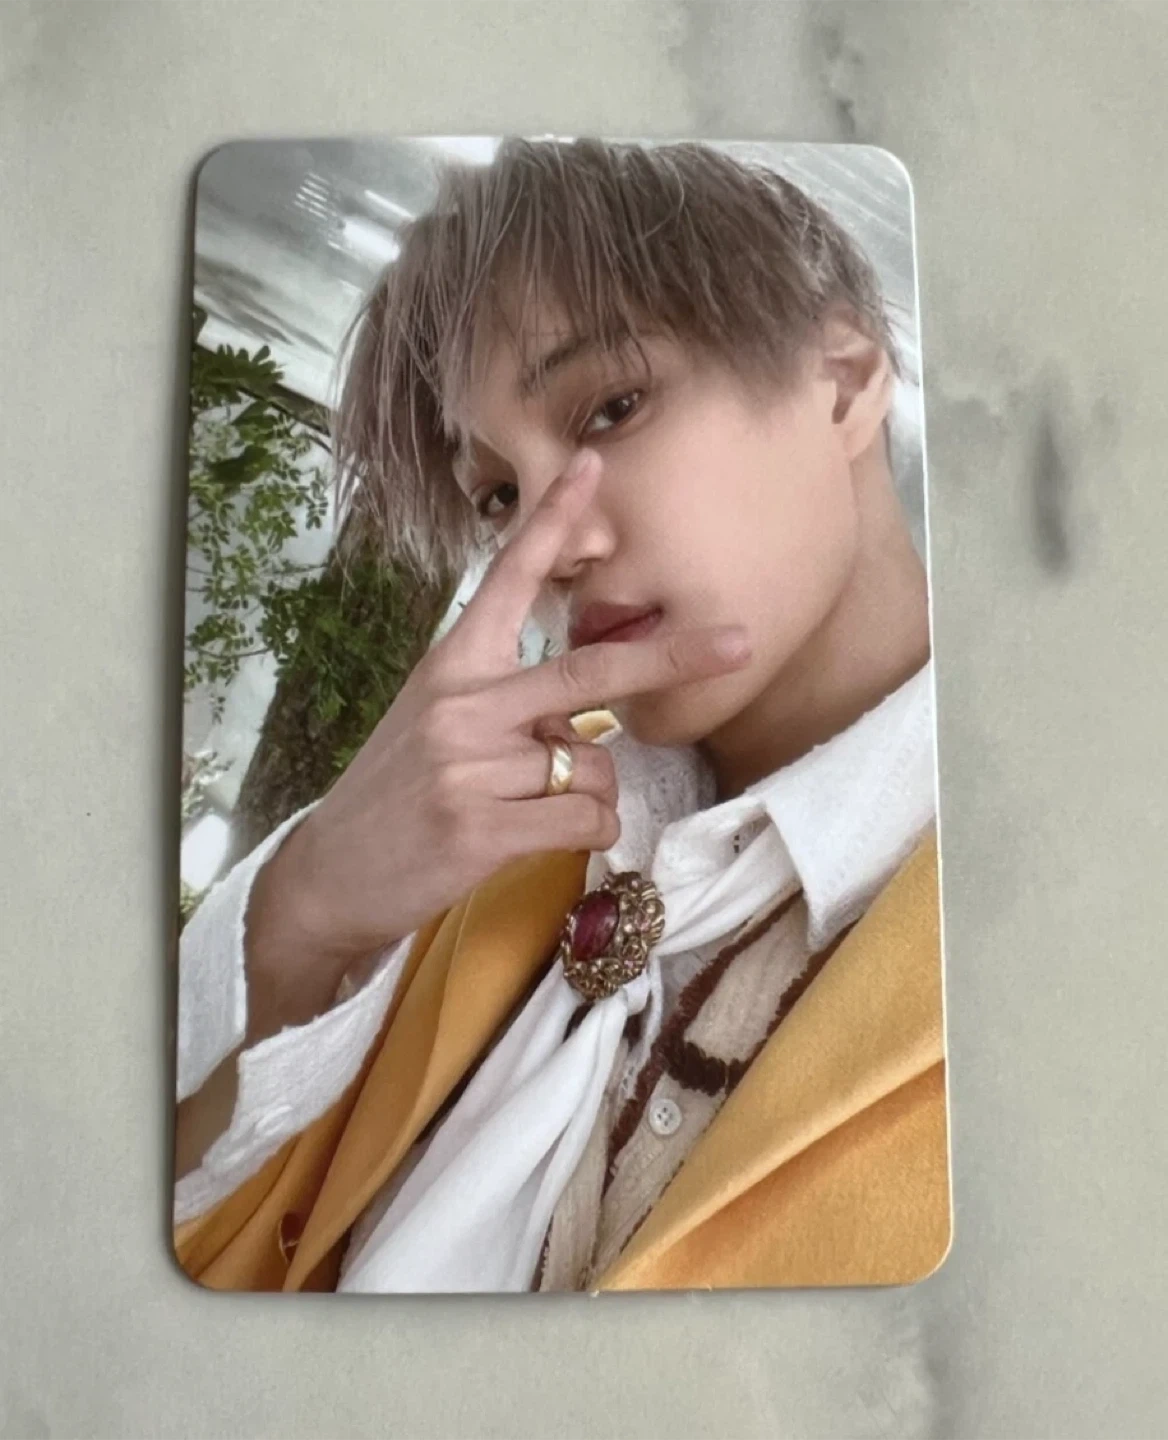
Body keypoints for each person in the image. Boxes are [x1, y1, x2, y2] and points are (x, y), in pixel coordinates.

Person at [173, 138, 949, 1293]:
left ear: (839, 378)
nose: (551, 546)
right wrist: (308, 908)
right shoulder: (486, 833)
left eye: (610, 409)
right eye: (498, 496)